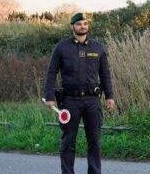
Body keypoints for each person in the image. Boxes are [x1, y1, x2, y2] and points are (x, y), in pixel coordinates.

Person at [43, 12, 115, 174]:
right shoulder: (61, 48)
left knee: (95, 141)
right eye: (78, 24)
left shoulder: (98, 47)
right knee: (68, 141)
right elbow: (51, 72)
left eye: (85, 23)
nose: (82, 26)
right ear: (72, 27)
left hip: (92, 101)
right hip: (70, 101)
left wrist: (109, 96)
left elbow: (105, 74)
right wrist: (49, 96)